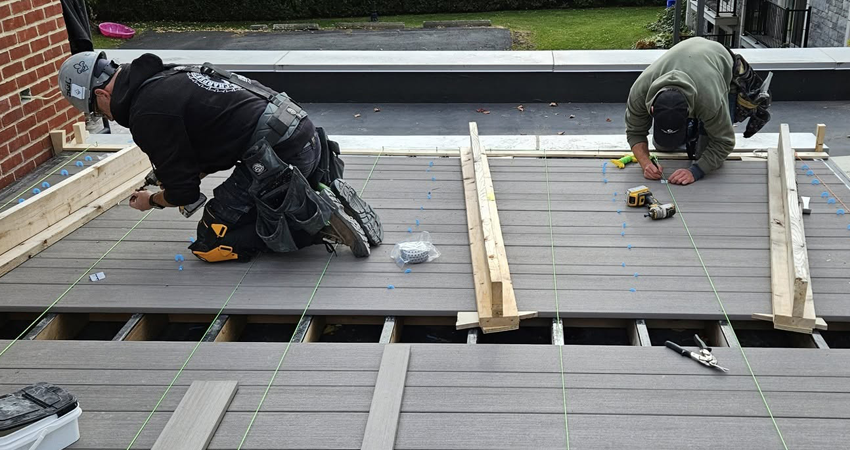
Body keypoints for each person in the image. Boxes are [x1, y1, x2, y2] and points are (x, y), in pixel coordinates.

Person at [57, 51, 383, 262]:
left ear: (101, 94)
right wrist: (178, 173)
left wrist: (152, 200)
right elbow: (213, 137)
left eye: (96, 110)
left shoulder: (146, 113)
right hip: (304, 135)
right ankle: (326, 189)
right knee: (248, 202)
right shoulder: (165, 76)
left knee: (212, 241)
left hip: (279, 159)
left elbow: (184, 194)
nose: (107, 118)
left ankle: (315, 225)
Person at [625, 37, 772, 185]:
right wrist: (646, 163)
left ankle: (697, 130)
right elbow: (634, 132)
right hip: (690, 60)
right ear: (652, 109)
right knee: (664, 146)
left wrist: (695, 171)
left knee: (702, 154)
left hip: (719, 60)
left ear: (689, 111)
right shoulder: (640, 94)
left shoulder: (709, 101)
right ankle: (690, 132)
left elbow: (724, 143)